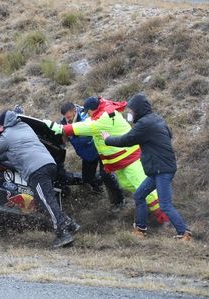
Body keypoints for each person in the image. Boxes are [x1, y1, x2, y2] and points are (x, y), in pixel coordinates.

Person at [45, 96, 169, 225]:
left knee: (140, 185)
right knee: (127, 184)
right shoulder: (102, 113)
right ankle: (148, 207)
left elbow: (87, 127)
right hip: (116, 159)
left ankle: (164, 216)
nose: (88, 113)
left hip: (129, 158)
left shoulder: (103, 118)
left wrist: (60, 128)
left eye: (89, 111)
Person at [0, 110, 80, 248]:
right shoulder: (25, 127)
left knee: (46, 201)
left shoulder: (7, 136)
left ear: (4, 124)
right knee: (45, 200)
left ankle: (63, 233)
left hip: (37, 170)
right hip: (49, 165)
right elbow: (18, 150)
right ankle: (69, 223)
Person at [102, 93, 191, 241]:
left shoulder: (145, 124)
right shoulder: (156, 119)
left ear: (138, 110)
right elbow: (168, 134)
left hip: (162, 169)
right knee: (139, 195)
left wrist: (108, 139)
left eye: (131, 112)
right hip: (157, 169)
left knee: (165, 205)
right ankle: (140, 229)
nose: (129, 115)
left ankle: (184, 233)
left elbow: (127, 139)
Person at [58, 102, 125, 210]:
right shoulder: (63, 122)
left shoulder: (86, 117)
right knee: (87, 177)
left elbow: (89, 133)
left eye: (70, 117)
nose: (68, 120)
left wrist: (73, 133)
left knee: (106, 175)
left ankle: (118, 201)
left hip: (100, 149)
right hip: (87, 155)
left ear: (75, 111)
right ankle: (98, 187)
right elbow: (63, 136)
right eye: (66, 118)